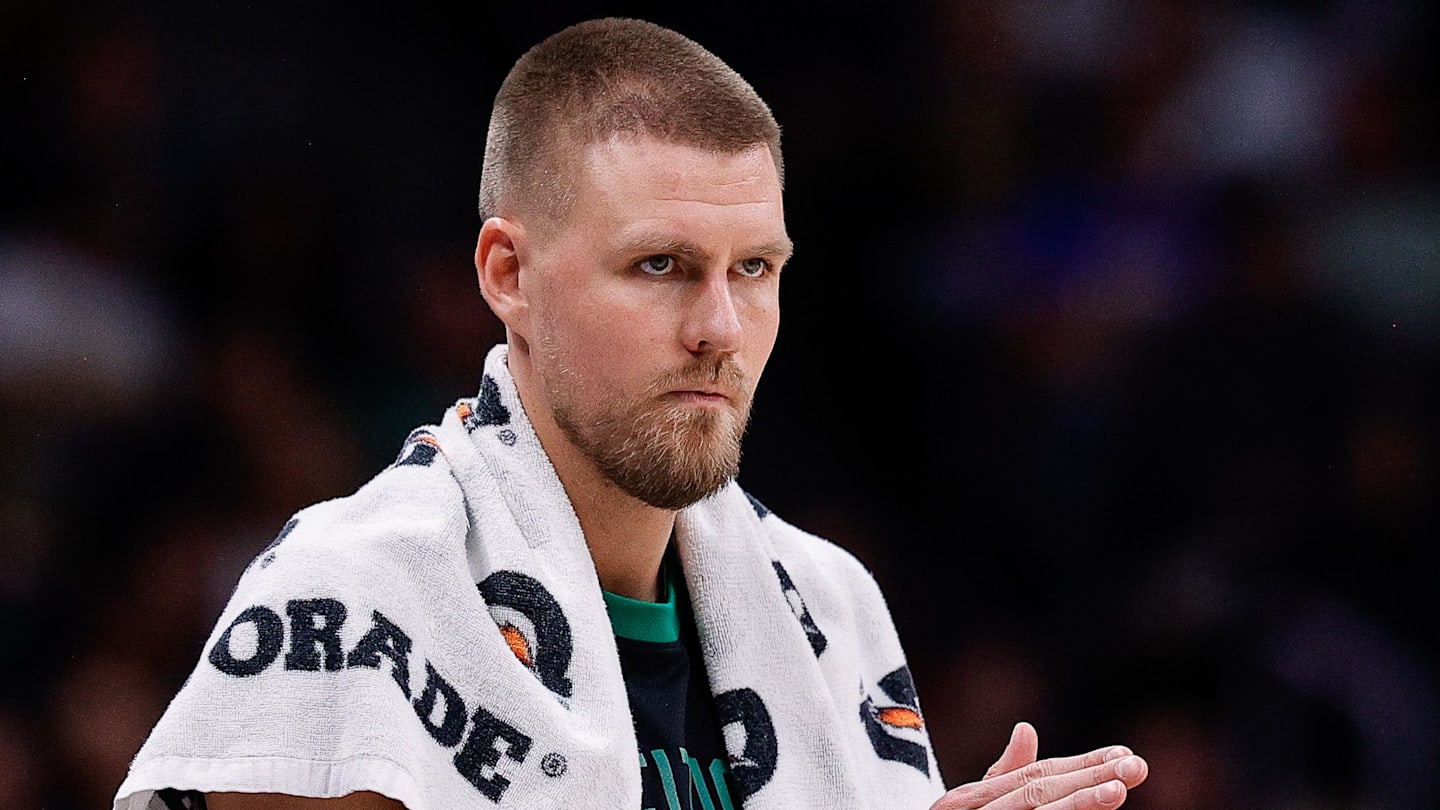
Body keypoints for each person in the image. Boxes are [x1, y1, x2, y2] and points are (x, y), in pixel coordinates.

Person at [114, 17, 1149, 810]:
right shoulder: (347, 608)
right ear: (508, 274)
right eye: (660, 266)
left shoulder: (832, 610)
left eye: (756, 269)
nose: (720, 327)